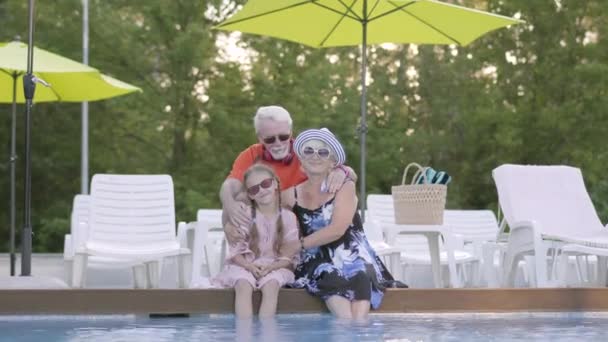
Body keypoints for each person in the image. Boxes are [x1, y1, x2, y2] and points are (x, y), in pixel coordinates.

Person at [282, 128, 406, 320]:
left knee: (360, 275)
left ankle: (354, 330)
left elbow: (337, 230)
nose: (315, 156)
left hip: (352, 253)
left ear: (333, 163)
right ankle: (350, 330)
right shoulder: (290, 195)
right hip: (316, 258)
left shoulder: (345, 186)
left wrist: (298, 244)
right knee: (328, 276)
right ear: (301, 160)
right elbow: (261, 210)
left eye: (323, 152)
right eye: (308, 151)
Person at [219, 105, 355, 243]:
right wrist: (230, 206)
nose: (278, 143)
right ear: (260, 138)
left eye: (283, 137)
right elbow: (230, 185)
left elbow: (347, 172)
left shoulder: (307, 152)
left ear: (290, 132)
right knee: (237, 200)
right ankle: (239, 254)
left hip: (302, 221)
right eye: (270, 139)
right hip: (269, 217)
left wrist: (341, 171)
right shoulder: (251, 154)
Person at [213, 164, 299, 318]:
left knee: (271, 286)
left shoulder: (289, 217)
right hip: (244, 265)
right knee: (243, 285)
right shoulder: (245, 215)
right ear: (250, 195)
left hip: (277, 266)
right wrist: (250, 266)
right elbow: (236, 252)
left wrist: (271, 267)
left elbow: (289, 255)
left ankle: (266, 334)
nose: (262, 190)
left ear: (275, 183)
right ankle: (245, 334)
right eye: (254, 189)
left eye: (265, 184)